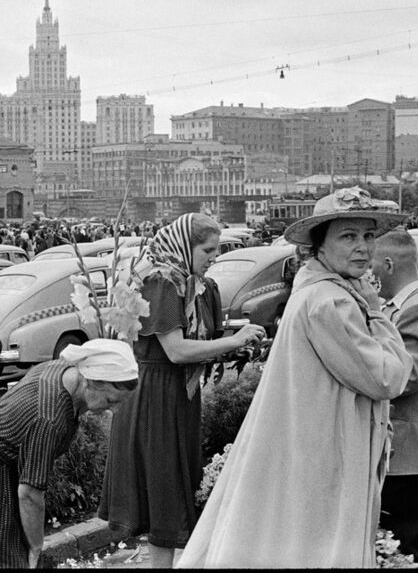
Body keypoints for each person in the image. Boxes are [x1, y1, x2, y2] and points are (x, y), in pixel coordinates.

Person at [176, 188, 413, 568]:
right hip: (326, 449)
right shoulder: (331, 301)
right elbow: (389, 377)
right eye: (348, 236)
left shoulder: (324, 290)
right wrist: (377, 310)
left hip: (316, 441)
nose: (363, 248)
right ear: (320, 246)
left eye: (368, 236)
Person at [99, 213, 266, 569]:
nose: (214, 257)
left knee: (172, 489)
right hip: (154, 397)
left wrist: (237, 344)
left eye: (217, 250)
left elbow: (201, 343)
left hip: (178, 394)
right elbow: (176, 350)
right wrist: (231, 341)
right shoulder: (162, 281)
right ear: (184, 247)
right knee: (164, 492)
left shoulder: (193, 283)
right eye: (207, 250)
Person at [0, 339, 140, 569]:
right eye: (111, 400)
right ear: (91, 380)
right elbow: (30, 493)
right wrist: (35, 548)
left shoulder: (62, 370)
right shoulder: (50, 418)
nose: (114, 410)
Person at [370, 230, 418, 569]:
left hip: (409, 453)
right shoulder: (405, 305)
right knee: (408, 549)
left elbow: (409, 376)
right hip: (407, 452)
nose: (367, 273)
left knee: (403, 552)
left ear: (387, 265)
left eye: (370, 265)